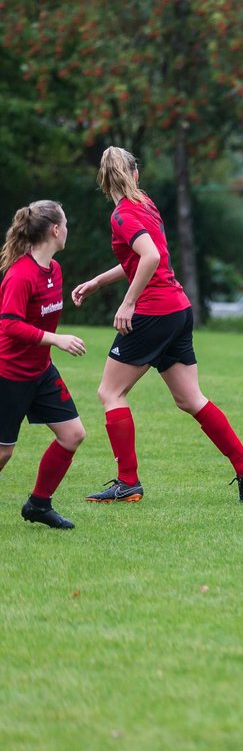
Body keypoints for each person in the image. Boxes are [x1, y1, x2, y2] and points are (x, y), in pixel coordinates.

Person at [71, 146, 243, 503]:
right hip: (177, 309)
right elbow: (143, 259)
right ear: (135, 175)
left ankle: (127, 482)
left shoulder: (122, 215)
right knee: (190, 398)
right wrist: (99, 281)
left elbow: (151, 256)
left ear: (102, 179)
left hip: (153, 313)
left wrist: (128, 303)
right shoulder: (145, 203)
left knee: (110, 392)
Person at [1, 201, 86, 528]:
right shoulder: (21, 275)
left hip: (40, 371)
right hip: (9, 374)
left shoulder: (55, 270)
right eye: (65, 224)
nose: (67, 230)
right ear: (55, 230)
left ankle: (38, 504)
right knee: (3, 453)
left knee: (72, 434)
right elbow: (8, 325)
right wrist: (56, 339)